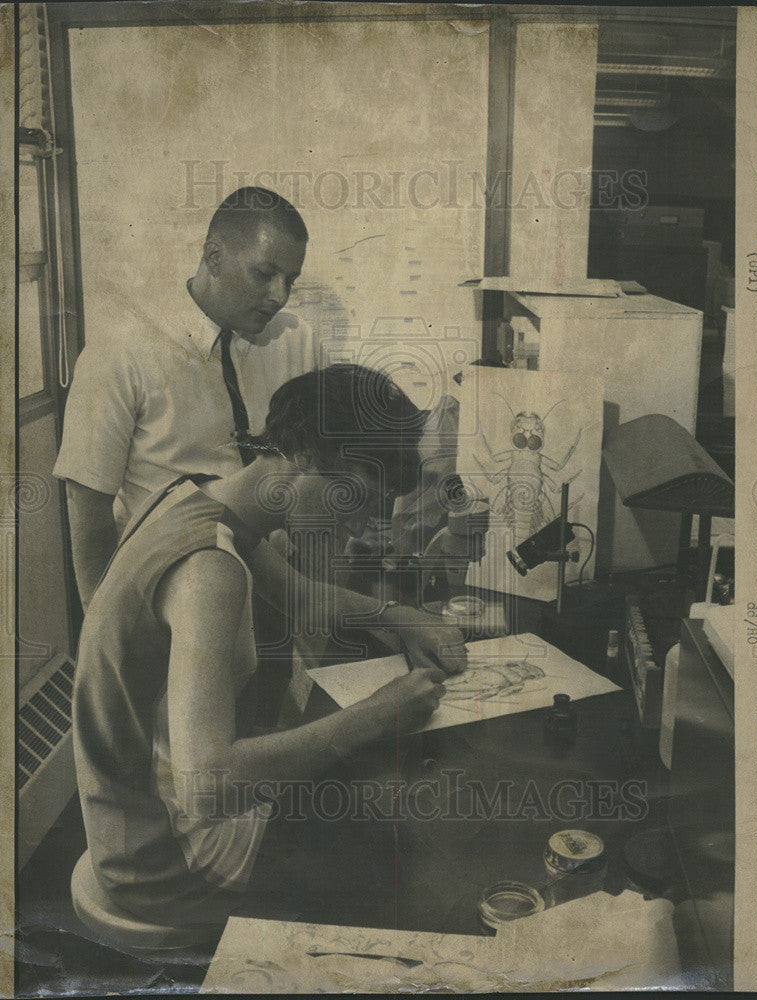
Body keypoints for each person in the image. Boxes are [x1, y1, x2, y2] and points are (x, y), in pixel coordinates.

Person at [72, 364, 467, 936]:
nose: (360, 526)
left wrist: (406, 618)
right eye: (358, 498)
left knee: (370, 801)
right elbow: (207, 788)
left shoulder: (197, 495)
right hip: (164, 863)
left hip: (128, 821)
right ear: (307, 455)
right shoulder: (210, 571)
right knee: (409, 865)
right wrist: (379, 714)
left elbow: (298, 594)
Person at [54, 186, 314, 609]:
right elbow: (87, 503)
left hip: (276, 591)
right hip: (172, 604)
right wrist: (106, 631)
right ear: (214, 256)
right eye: (264, 274)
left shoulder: (295, 342)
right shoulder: (121, 351)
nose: (279, 295)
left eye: (291, 280)